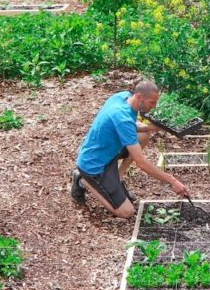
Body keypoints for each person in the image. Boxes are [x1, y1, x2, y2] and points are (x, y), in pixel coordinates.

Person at [71, 80, 191, 218]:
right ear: (139, 96)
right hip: (95, 166)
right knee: (126, 212)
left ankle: (118, 176)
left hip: (108, 152)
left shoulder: (123, 97)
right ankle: (82, 180)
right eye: (152, 102)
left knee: (143, 136)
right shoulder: (122, 118)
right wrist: (173, 181)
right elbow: (141, 162)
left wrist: (151, 128)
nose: (154, 106)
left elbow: (129, 126)